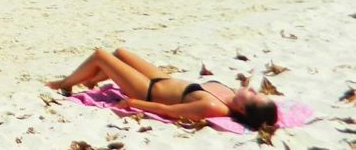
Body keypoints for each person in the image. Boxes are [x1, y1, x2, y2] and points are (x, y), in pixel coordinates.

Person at [47, 47, 278, 130]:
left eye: (252, 97)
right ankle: (91, 79)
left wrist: (133, 103)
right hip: (163, 78)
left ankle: (64, 83)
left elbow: (168, 111)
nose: (253, 91)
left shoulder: (213, 106)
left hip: (147, 90)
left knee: (101, 55)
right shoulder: (230, 95)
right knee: (120, 53)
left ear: (243, 110)